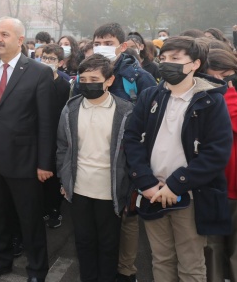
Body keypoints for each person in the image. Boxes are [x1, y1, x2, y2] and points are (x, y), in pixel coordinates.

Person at [124, 36, 232, 281]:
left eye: (175, 58)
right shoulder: (150, 96)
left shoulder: (210, 100)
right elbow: (132, 139)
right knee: (161, 260)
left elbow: (216, 152)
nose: (166, 64)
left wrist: (176, 184)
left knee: (191, 264)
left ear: (195, 63)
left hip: (190, 195)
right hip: (152, 192)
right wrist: (146, 182)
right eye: (163, 59)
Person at [0, 17, 56, 282]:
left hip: (24, 161)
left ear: (20, 40)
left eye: (4, 34)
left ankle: (37, 270)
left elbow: (46, 122)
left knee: (29, 219)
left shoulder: (38, 72)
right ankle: (1, 261)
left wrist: (45, 163)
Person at [57, 54, 134, 282]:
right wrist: (64, 180)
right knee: (83, 241)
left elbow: (132, 154)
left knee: (109, 243)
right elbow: (62, 147)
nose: (87, 83)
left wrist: (129, 187)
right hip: (79, 188)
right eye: (83, 78)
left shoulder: (126, 111)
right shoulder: (70, 109)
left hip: (110, 190)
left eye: (94, 78)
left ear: (109, 80)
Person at [204, 48, 237, 282]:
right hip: (212, 185)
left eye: (229, 75)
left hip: (228, 185)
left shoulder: (220, 98)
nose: (225, 81)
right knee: (213, 249)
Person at [40, 44, 73, 229]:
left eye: (51, 59)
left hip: (57, 136)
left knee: (53, 175)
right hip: (37, 136)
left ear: (60, 62)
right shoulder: (34, 81)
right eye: (44, 57)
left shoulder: (64, 85)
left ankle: (54, 210)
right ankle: (43, 208)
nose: (46, 61)